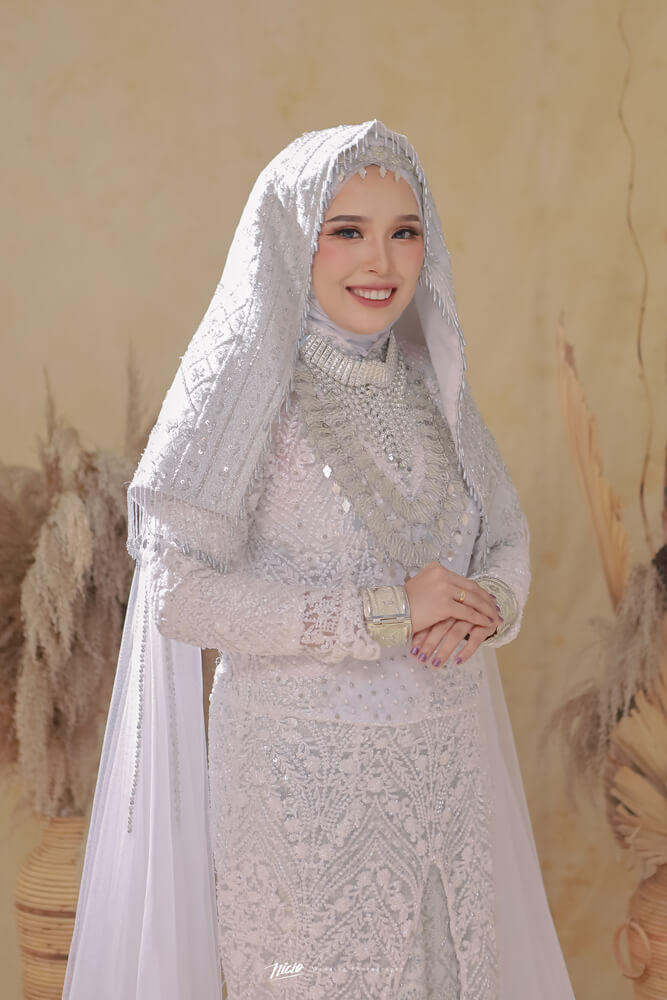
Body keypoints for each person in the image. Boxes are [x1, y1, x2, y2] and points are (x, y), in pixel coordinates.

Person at [63, 120, 575, 999]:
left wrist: (487, 599)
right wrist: (387, 612)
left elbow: (504, 532)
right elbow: (178, 591)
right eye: (347, 231)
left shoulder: (428, 383)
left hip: (445, 775)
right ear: (292, 237)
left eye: (403, 231)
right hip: (304, 791)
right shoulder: (242, 390)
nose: (380, 260)